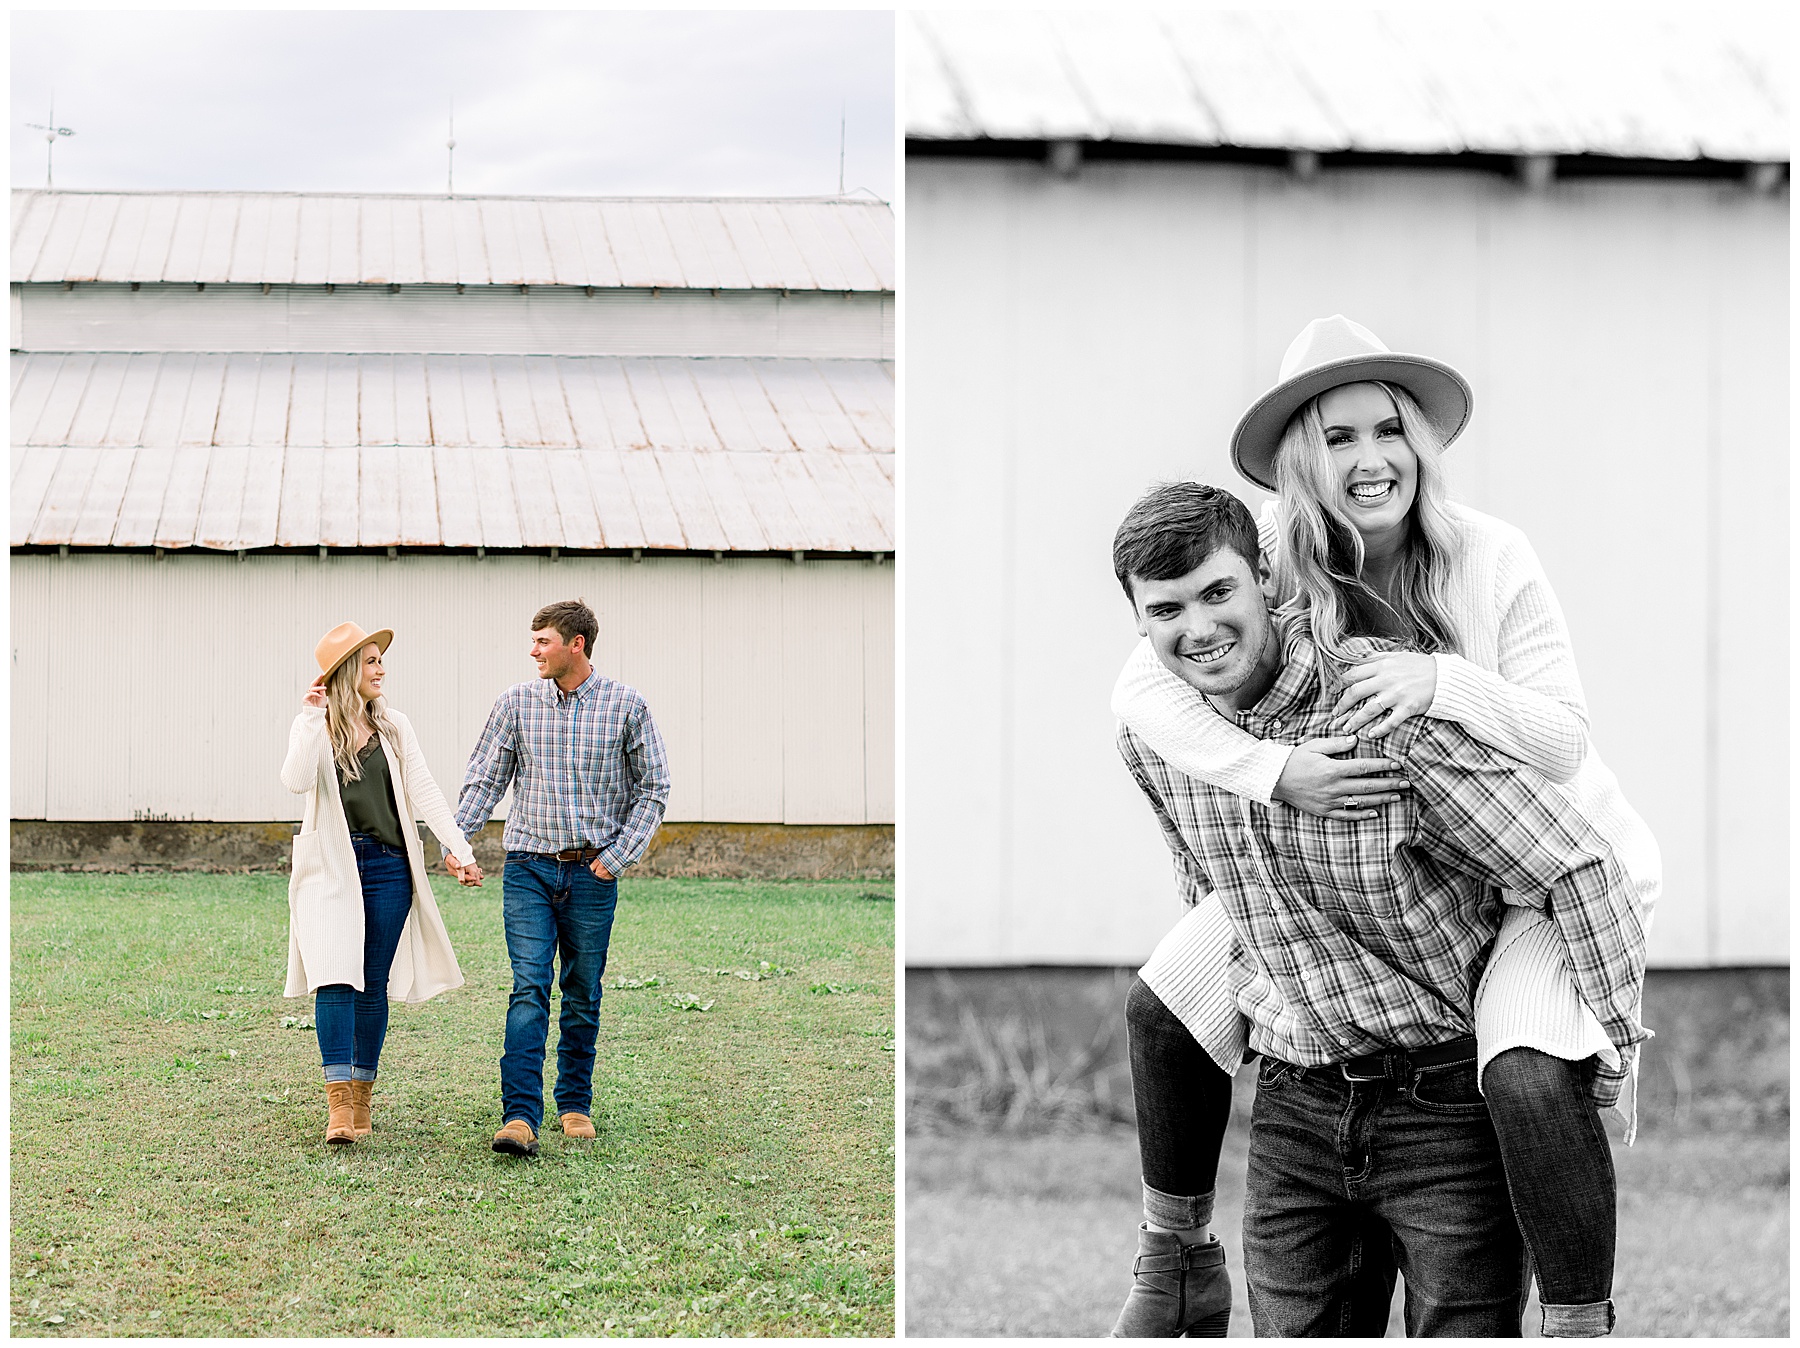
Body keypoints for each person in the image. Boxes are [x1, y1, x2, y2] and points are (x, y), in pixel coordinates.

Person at [1108, 319, 1660, 1339]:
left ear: (1419, 440)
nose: (1370, 460)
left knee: (1530, 1072)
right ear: (1295, 466)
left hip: (1557, 854)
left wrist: (1438, 679)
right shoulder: (1264, 554)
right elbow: (1143, 686)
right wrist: (1280, 775)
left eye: (1387, 429)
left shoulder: (1485, 554)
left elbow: (1566, 749)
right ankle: (1173, 1257)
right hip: (1334, 844)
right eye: (1337, 438)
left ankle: (1581, 1320)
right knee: (1162, 1003)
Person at [453, 599, 671, 1158]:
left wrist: (616, 858)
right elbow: (484, 780)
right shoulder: (516, 704)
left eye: (543, 641)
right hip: (527, 867)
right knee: (529, 986)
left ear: (576, 643)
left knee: (582, 991)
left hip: (594, 872)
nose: (533, 651)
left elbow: (653, 789)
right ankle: (520, 1115)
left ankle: (574, 1102)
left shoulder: (627, 706)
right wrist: (458, 842)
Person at [281, 621, 483, 1145]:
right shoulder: (316, 728)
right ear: (347, 670)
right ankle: (338, 1108)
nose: (381, 669)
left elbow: (425, 789)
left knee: (371, 983)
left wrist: (458, 848)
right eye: (370, 661)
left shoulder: (394, 726)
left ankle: (363, 1100)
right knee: (333, 976)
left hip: (391, 866)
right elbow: (296, 780)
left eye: (379, 659)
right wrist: (309, 718)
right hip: (333, 868)